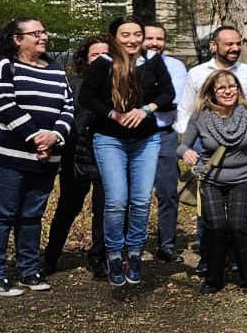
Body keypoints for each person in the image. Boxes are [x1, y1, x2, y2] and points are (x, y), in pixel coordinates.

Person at [0, 17, 73, 296]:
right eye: (36, 33)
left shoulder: (55, 70)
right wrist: (35, 137)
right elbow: (3, 101)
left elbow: (68, 106)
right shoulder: (1, 63)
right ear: (17, 39)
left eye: (44, 31)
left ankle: (29, 271)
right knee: (2, 213)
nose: (43, 36)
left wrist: (54, 137)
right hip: (5, 154)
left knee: (32, 215)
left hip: (46, 157)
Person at [82, 16, 176, 286]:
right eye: (126, 35)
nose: (133, 40)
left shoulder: (153, 62)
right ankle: (114, 254)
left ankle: (134, 252)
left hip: (146, 140)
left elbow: (167, 94)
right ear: (114, 37)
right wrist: (114, 114)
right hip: (110, 139)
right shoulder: (103, 64)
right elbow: (86, 98)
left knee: (142, 200)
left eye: (137, 34)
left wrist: (146, 110)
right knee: (116, 200)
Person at [177, 26, 247, 270]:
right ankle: (210, 257)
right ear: (214, 45)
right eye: (229, 44)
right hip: (205, 147)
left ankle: (236, 258)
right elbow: (186, 111)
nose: (235, 48)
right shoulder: (196, 73)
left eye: (238, 43)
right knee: (208, 215)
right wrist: (189, 147)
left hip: (239, 147)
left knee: (237, 220)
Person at [180, 69, 247, 294]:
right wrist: (186, 153)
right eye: (222, 88)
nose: (228, 92)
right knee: (216, 227)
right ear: (212, 92)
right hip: (211, 179)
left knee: (238, 226)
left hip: (242, 177)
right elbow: (182, 144)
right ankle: (213, 278)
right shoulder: (200, 115)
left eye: (232, 87)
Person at [42, 34, 110, 279]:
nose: (101, 59)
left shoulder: (119, 84)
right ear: (85, 59)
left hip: (106, 156)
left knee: (104, 210)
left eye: (106, 54)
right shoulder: (71, 84)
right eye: (95, 55)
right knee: (67, 208)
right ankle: (50, 256)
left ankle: (98, 258)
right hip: (76, 156)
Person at [141, 22, 189, 265]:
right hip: (133, 136)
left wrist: (145, 101)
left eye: (159, 39)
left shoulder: (176, 66)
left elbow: (174, 101)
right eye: (150, 38)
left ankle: (166, 244)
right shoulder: (128, 64)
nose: (154, 43)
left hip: (164, 134)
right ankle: (133, 245)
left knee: (168, 192)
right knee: (135, 195)